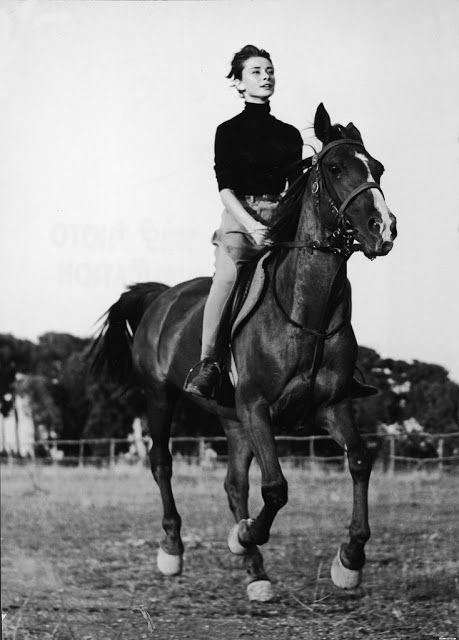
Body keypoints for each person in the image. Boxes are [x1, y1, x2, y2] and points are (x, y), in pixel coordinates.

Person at [184, 44, 303, 398]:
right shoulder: (228, 130)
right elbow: (225, 189)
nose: (266, 76)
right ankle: (208, 364)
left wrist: (281, 220)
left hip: (280, 217)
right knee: (228, 275)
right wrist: (252, 225)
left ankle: (332, 362)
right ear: (238, 83)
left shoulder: (290, 134)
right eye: (256, 71)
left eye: (270, 71)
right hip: (240, 219)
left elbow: (293, 189)